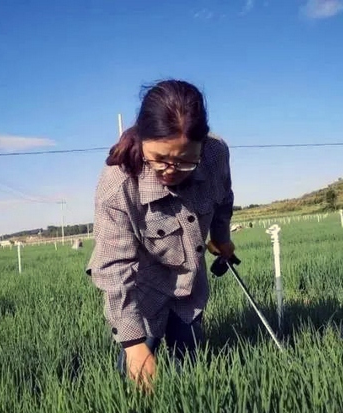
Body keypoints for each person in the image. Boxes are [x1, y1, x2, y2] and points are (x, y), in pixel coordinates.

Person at [85, 79, 235, 391]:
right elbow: (112, 267)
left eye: (185, 160)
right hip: (142, 292)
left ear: (202, 145)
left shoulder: (216, 153)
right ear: (141, 140)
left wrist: (221, 236)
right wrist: (133, 344)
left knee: (192, 372)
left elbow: (223, 199)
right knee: (134, 376)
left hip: (190, 288)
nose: (171, 169)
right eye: (160, 159)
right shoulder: (119, 184)